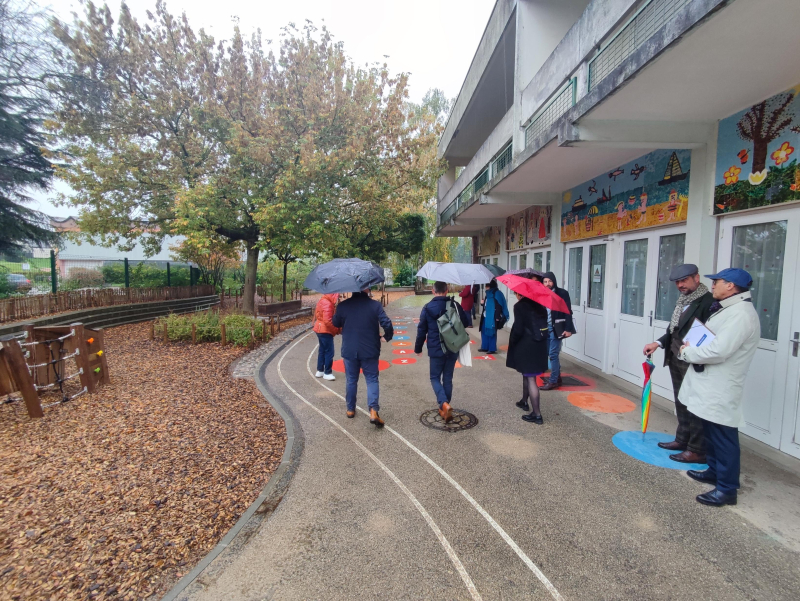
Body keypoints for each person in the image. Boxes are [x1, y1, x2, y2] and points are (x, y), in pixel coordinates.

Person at [678, 268, 760, 507]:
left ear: (731, 286)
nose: (712, 285)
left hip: (720, 385)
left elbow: (718, 350)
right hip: (709, 383)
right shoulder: (729, 309)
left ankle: (727, 489)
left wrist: (687, 351)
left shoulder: (742, 315)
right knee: (712, 433)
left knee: (724, 436)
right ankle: (713, 470)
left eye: (717, 282)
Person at [642, 264, 716, 464]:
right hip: (676, 358)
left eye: (684, 281)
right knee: (681, 401)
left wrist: (694, 353)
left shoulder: (709, 302)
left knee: (694, 404)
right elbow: (675, 330)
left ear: (697, 278)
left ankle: (697, 449)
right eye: (677, 282)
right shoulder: (683, 300)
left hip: (693, 360)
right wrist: (657, 343)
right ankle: (682, 439)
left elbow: (709, 335)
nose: (680, 285)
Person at [332, 288, 393, 427]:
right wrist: (386, 336)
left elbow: (335, 323)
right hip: (370, 349)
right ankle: (373, 410)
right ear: (367, 289)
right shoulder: (375, 305)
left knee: (351, 379)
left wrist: (338, 308)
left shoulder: (343, 306)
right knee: (372, 379)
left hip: (349, 349)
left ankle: (350, 409)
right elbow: (387, 323)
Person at [415, 281, 469, 422]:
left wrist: (418, 348)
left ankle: (443, 403)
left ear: (433, 291)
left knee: (434, 377)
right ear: (447, 290)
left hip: (435, 348)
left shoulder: (427, 308)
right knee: (448, 378)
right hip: (452, 346)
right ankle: (445, 406)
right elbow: (465, 322)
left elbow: (421, 330)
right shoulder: (455, 305)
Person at [507, 291, 550, 424]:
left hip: (527, 345)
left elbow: (519, 329)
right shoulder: (540, 305)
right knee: (527, 374)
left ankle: (537, 414)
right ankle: (524, 401)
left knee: (531, 378)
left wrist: (513, 341)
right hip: (540, 345)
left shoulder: (520, 306)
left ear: (520, 294)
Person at [540, 272, 576, 390]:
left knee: (553, 354)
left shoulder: (562, 293)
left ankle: (553, 381)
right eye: (545, 282)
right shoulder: (541, 294)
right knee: (548, 353)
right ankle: (557, 377)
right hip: (546, 328)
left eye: (549, 281)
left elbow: (567, 311)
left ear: (554, 281)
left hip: (557, 328)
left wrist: (568, 329)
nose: (547, 284)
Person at [313, 293, 341, 381]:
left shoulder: (322, 300)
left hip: (319, 328)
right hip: (325, 330)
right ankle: (327, 372)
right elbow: (328, 321)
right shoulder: (328, 304)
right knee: (329, 351)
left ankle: (320, 370)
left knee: (322, 350)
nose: (337, 298)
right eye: (337, 296)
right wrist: (336, 330)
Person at [478, 279, 508, 354]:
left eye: (487, 286)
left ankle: (492, 349)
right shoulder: (488, 294)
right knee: (484, 330)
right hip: (486, 316)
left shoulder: (497, 293)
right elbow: (486, 305)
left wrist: (497, 317)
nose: (485, 287)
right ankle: (484, 347)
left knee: (491, 332)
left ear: (491, 286)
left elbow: (499, 306)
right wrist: (482, 303)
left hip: (493, 317)